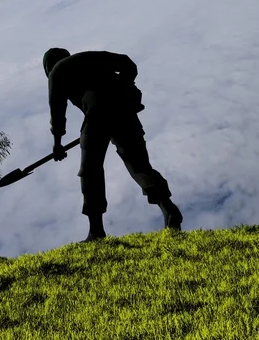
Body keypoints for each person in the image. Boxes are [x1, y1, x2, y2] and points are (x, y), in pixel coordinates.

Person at [43, 48, 183, 242]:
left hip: (96, 117)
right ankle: (168, 209)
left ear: (48, 65)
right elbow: (128, 63)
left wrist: (57, 144)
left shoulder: (56, 72)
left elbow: (57, 113)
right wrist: (123, 86)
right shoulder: (90, 57)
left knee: (90, 172)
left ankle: (96, 232)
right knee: (138, 165)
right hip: (125, 112)